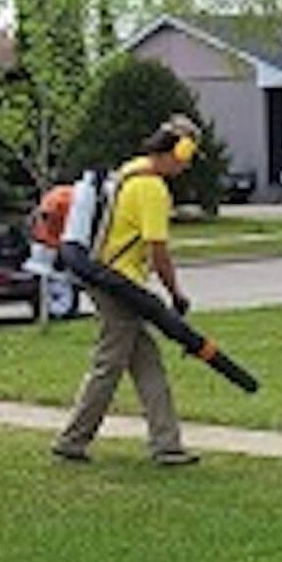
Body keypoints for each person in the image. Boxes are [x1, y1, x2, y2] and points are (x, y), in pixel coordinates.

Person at [51, 118, 201, 466]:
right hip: (120, 285)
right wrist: (175, 293)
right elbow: (158, 249)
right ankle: (72, 440)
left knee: (147, 364)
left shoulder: (129, 171)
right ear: (176, 150)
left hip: (108, 278)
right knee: (108, 364)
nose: (188, 164)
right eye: (188, 154)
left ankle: (167, 445)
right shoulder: (152, 189)